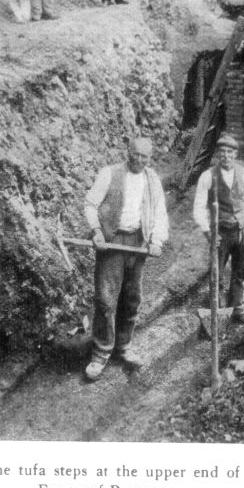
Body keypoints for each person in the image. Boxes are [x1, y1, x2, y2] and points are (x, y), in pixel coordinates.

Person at [84, 137, 169, 381]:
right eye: (136, 154)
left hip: (137, 243)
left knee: (132, 298)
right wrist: (96, 231)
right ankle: (101, 353)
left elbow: (160, 212)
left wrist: (156, 240)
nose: (139, 160)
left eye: (145, 156)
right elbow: (90, 204)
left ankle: (124, 346)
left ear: (149, 158)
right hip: (112, 242)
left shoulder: (152, 180)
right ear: (128, 152)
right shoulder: (109, 174)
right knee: (106, 299)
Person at [193, 134, 244, 325]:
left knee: (240, 272)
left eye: (230, 152)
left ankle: (238, 310)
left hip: (241, 231)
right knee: (217, 274)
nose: (226, 156)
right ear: (218, 154)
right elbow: (198, 208)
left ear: (235, 154)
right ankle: (218, 313)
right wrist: (208, 233)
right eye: (222, 152)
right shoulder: (208, 176)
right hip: (220, 233)